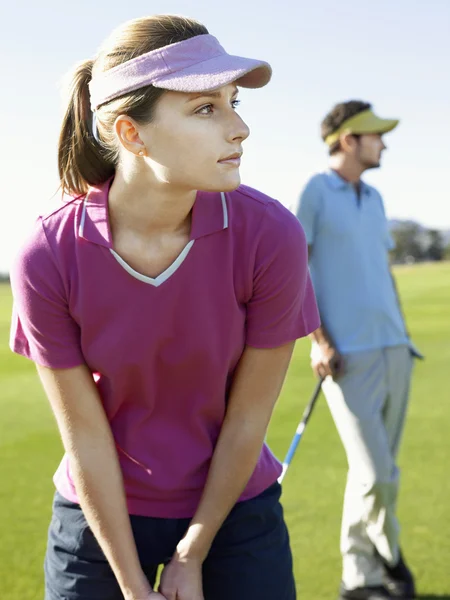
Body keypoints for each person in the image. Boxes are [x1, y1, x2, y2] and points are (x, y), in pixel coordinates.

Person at [9, 14, 320, 600]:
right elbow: (87, 439)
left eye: (233, 102)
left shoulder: (271, 234)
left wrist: (191, 553)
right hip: (98, 516)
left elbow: (248, 421)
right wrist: (132, 585)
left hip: (234, 509)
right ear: (131, 134)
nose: (240, 128)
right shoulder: (46, 253)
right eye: (207, 109)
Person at [296, 101, 419, 600]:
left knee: (374, 474)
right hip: (347, 357)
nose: (383, 143)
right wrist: (319, 340)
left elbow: (381, 272)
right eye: (375, 136)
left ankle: (358, 579)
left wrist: (403, 336)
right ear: (349, 140)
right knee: (378, 474)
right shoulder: (315, 192)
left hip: (394, 349)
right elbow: (293, 272)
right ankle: (390, 555)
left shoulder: (375, 198)